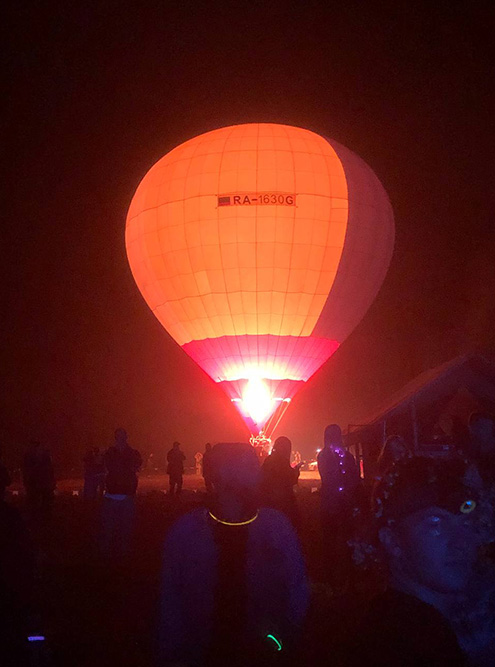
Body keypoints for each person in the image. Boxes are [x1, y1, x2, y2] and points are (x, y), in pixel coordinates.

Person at [158, 442, 309, 666]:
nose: (258, 472)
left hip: (220, 647)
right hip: (244, 647)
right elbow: (297, 590)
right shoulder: (275, 527)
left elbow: (170, 603)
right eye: (250, 466)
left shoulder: (186, 529)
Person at [348, 456, 494, 666]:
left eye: (467, 522)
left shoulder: (470, 618)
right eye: (435, 523)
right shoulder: (388, 646)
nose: (462, 541)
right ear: (392, 541)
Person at [317, 424, 360, 591]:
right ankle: (332, 575)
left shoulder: (346, 456)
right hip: (332, 503)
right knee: (331, 539)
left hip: (341, 503)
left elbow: (354, 478)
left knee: (345, 538)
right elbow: (328, 478)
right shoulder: (327, 456)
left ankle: (350, 574)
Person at [100, 428, 142, 560]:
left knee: (124, 527)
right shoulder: (111, 453)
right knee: (110, 527)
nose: (120, 438)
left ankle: (121, 554)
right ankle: (108, 554)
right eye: (119, 436)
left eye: (122, 435)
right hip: (113, 494)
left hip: (125, 495)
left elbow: (137, 467)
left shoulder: (131, 453)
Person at [260, 435, 301, 526]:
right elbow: (291, 480)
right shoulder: (283, 462)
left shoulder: (268, 460)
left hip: (268, 501)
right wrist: (296, 472)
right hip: (284, 502)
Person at [22, 440, 55, 519]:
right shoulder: (37, 456)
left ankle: (38, 514)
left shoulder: (31, 455)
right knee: (39, 498)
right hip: (38, 480)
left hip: (37, 480)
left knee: (37, 497)